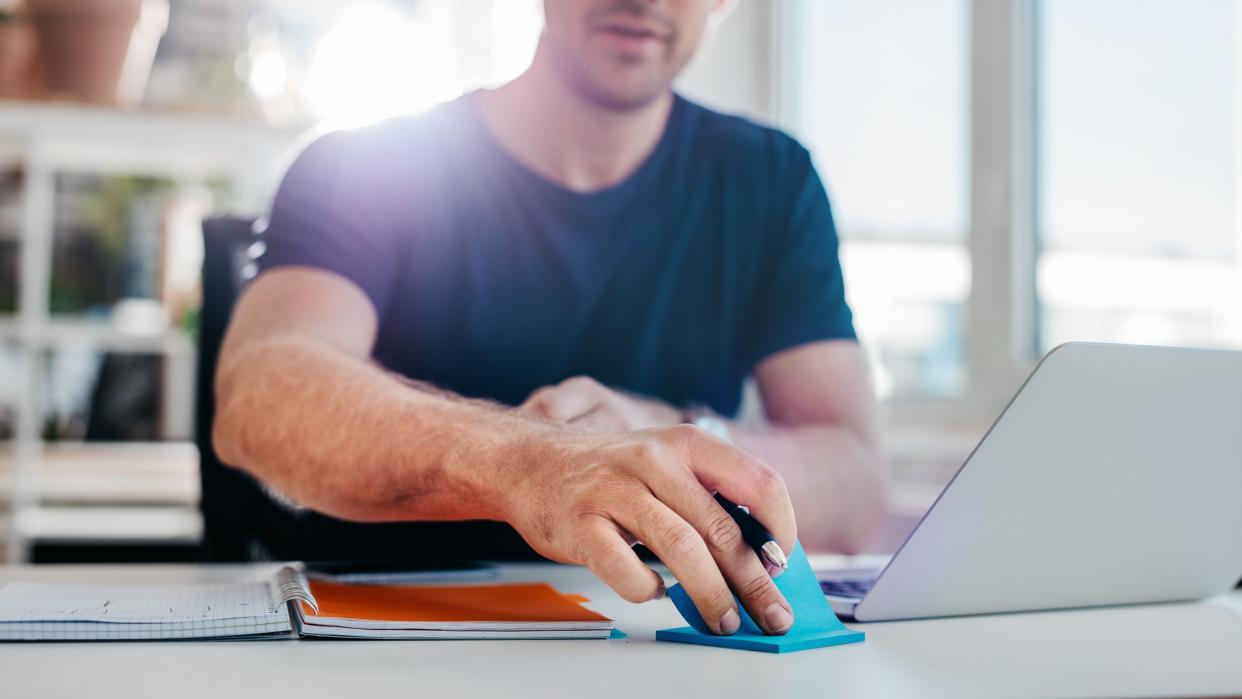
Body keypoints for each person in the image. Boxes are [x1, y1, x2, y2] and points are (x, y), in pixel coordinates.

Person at [213, 0, 887, 638]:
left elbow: (856, 485)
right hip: (384, 641)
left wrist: (686, 444)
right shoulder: (363, 165)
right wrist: (526, 461)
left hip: (665, 642)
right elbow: (261, 393)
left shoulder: (772, 181)